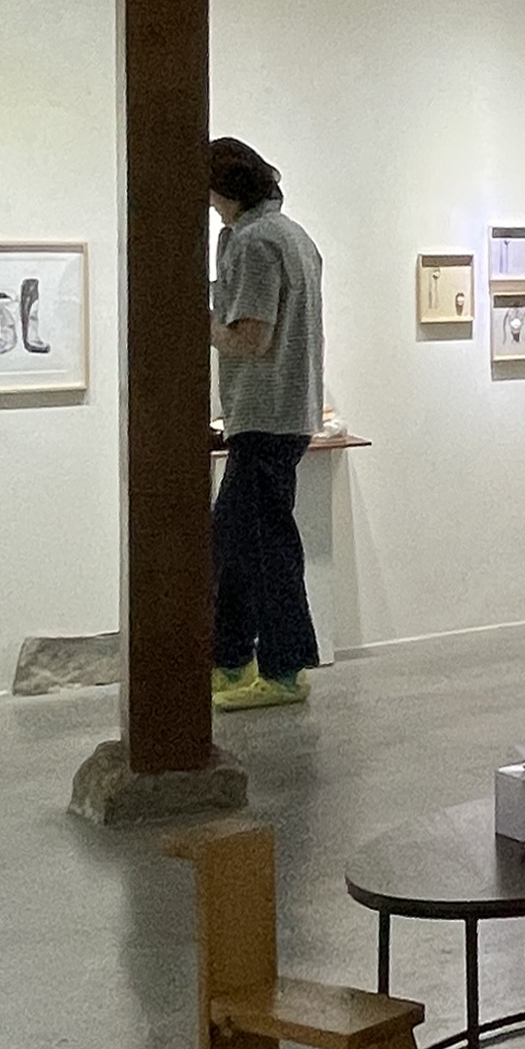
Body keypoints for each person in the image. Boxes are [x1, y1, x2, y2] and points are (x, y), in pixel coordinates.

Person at [206, 136, 326, 711]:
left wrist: (196, 320)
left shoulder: (255, 243)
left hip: (265, 412)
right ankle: (232, 659)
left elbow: (252, 339)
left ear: (223, 188)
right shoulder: (291, 236)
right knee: (236, 538)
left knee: (262, 545)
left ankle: (283, 668)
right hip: (284, 411)